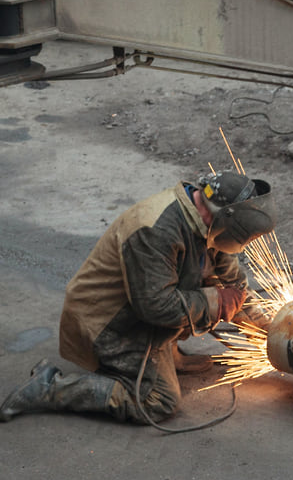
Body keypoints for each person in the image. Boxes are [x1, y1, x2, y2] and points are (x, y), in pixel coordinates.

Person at [1, 171, 277, 425]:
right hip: (107, 324)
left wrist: (267, 327)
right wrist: (217, 301)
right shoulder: (155, 230)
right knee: (159, 401)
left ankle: (169, 353)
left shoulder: (209, 224)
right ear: (222, 215)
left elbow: (233, 285)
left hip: (139, 309)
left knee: (199, 294)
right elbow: (156, 307)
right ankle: (51, 388)